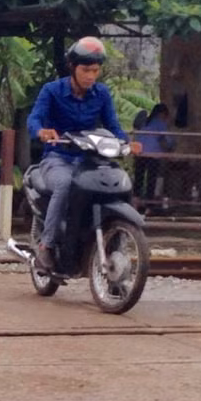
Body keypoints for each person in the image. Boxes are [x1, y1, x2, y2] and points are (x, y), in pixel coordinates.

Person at [26, 36, 141, 271]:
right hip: (58, 158)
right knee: (64, 185)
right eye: (86, 70)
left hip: (90, 160)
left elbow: (113, 126)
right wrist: (41, 132)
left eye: (95, 71)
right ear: (73, 68)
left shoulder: (101, 94)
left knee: (120, 183)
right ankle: (46, 245)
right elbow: (34, 119)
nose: (91, 76)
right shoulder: (52, 91)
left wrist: (128, 143)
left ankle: (115, 240)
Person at [133, 103, 175, 205]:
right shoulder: (160, 123)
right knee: (151, 180)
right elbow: (167, 140)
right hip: (152, 155)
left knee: (139, 178)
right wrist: (172, 145)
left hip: (140, 153)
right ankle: (149, 205)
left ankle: (135, 202)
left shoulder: (144, 122)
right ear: (161, 114)